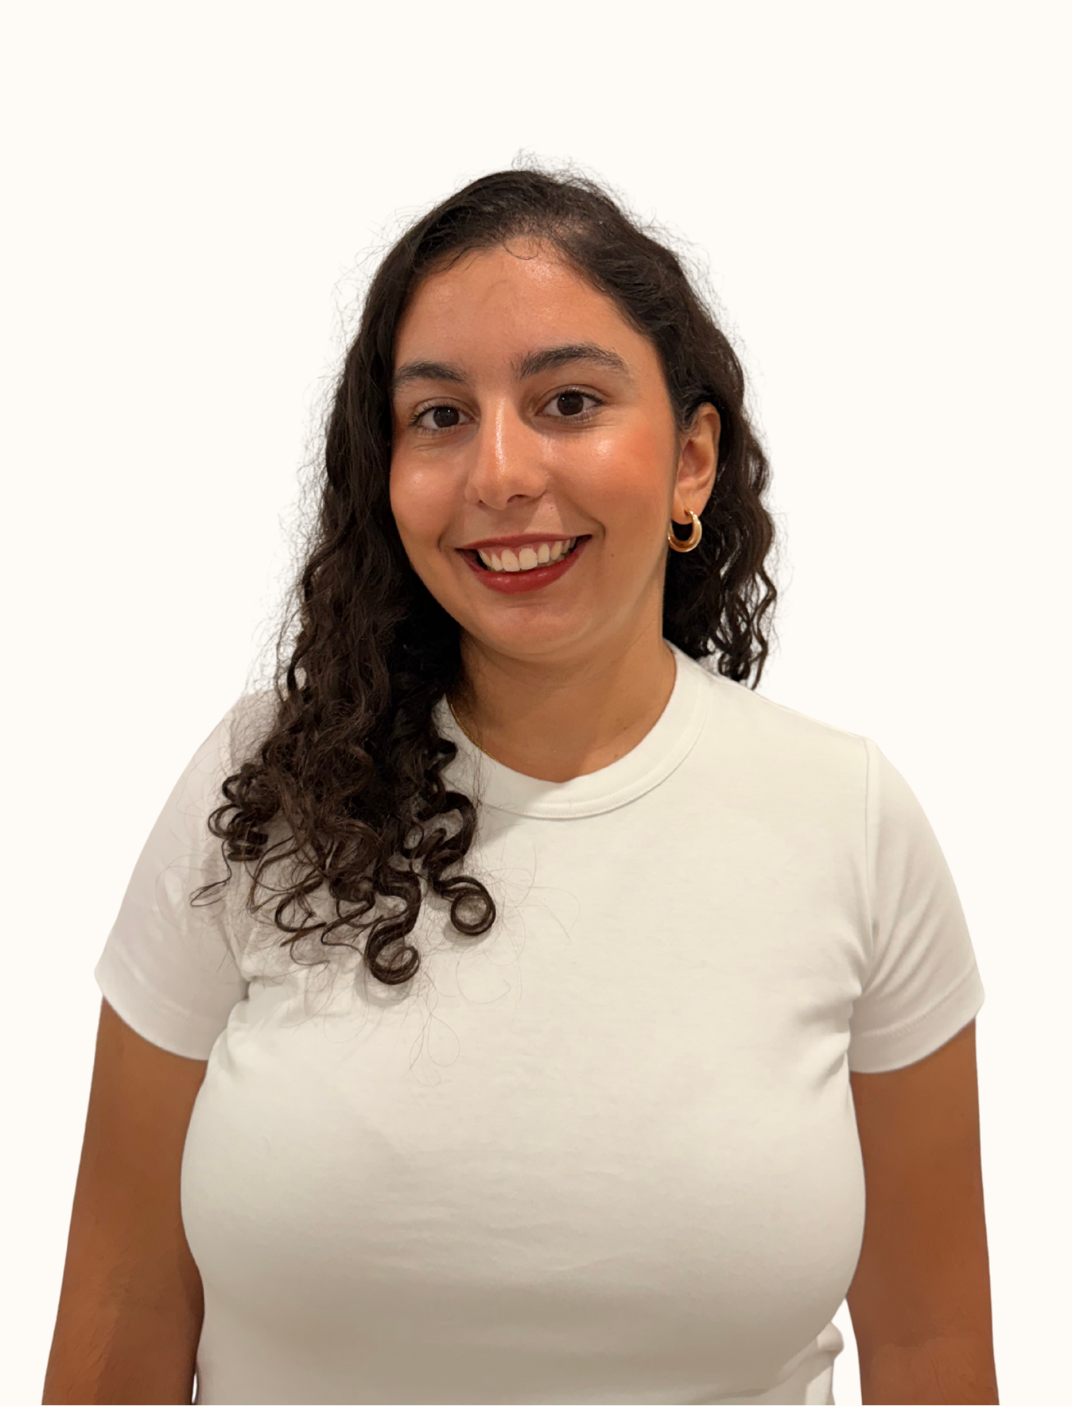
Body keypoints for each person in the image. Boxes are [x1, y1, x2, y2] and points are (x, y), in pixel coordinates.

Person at [53, 166, 997, 1405]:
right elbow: (123, 1314)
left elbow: (928, 1347)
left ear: (690, 462)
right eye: (439, 416)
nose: (499, 469)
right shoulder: (262, 791)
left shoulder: (849, 818)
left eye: (566, 400)